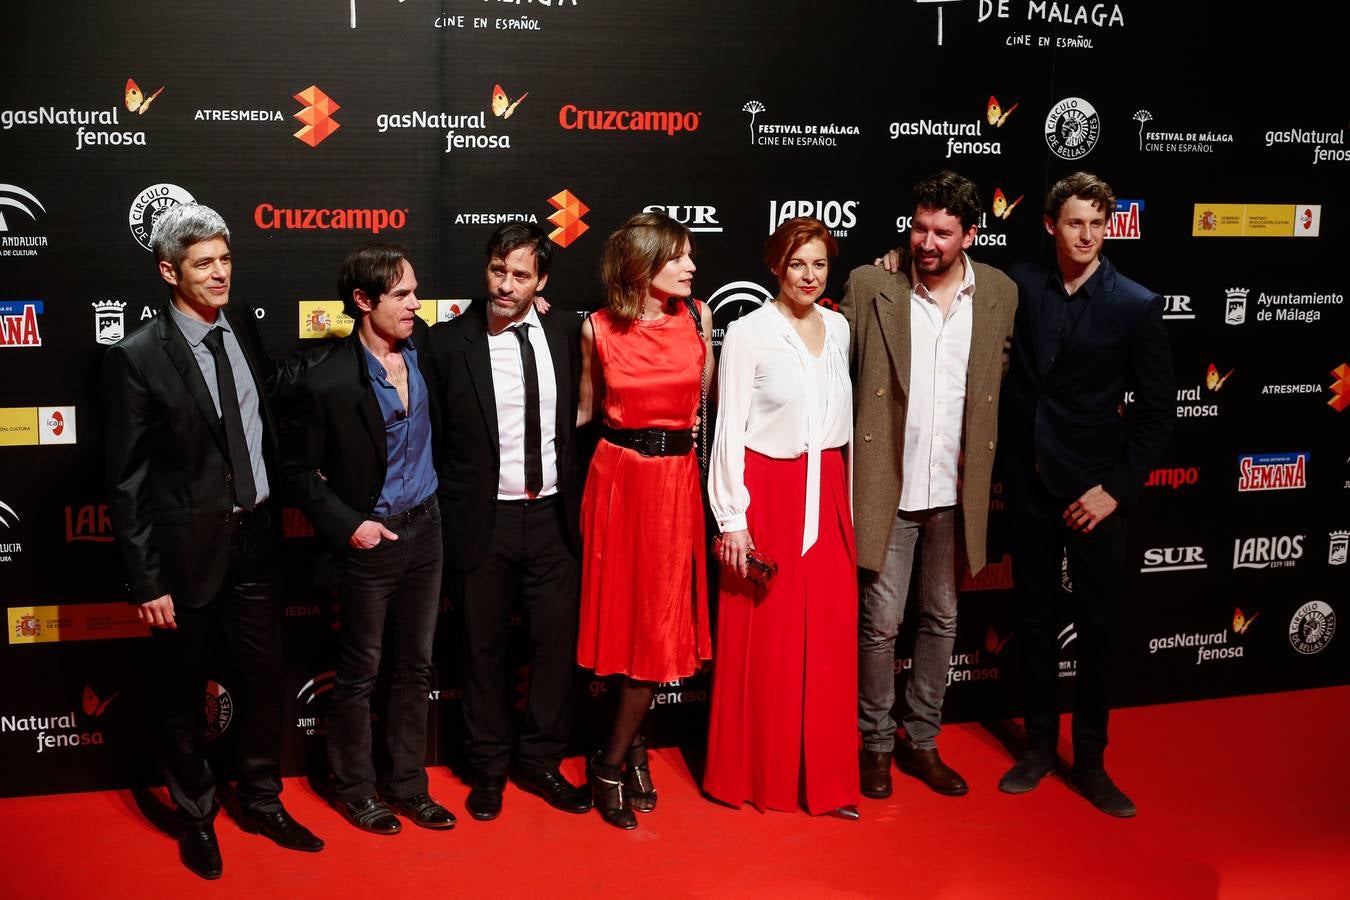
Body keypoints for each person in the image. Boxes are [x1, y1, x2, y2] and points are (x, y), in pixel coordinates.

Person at [104, 203, 323, 880]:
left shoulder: (243, 331)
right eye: (204, 263)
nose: (221, 273)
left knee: (264, 679)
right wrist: (146, 582)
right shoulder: (137, 356)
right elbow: (126, 481)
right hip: (184, 557)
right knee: (180, 697)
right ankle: (197, 816)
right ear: (169, 270)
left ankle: (260, 797)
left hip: (257, 540)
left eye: (226, 258)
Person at [997, 172, 1174, 817]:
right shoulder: (1019, 285)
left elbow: (1158, 413)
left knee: (1098, 628)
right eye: (1076, 223)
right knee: (1037, 622)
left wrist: (1114, 491)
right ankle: (1040, 746)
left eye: (1100, 224)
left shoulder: (1134, 303)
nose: (1089, 235)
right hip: (1029, 484)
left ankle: (1092, 761)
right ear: (1052, 225)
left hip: (1096, 491)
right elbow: (950, 278)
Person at [850, 172, 1019, 800]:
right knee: (880, 622)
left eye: (942, 232)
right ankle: (873, 743)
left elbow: (998, 375)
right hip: (887, 486)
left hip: (956, 490)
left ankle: (921, 740)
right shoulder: (872, 284)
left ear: (969, 234)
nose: (926, 241)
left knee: (943, 617)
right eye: (919, 228)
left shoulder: (999, 292)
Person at [281, 243, 455, 835]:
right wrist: (349, 524)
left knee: (416, 667)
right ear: (363, 300)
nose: (415, 305)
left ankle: (408, 785)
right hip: (370, 542)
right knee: (360, 673)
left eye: (415, 292)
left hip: (427, 530)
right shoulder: (328, 380)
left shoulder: (426, 347)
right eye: (402, 295)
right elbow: (296, 472)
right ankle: (355, 787)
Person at [426, 223, 590, 821]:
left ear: (541, 281)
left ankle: (542, 761)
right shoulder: (447, 344)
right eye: (499, 270)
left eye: (521, 275)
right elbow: (434, 436)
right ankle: (488, 768)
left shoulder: (570, 330)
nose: (506, 284)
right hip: (482, 519)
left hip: (553, 515)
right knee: (482, 648)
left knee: (555, 647)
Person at [704, 217, 860, 818]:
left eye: (819, 264)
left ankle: (826, 782)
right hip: (766, 493)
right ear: (776, 265)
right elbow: (729, 429)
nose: (809, 276)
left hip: (829, 495)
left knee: (827, 642)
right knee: (764, 644)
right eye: (798, 263)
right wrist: (733, 518)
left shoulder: (841, 328)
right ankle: (757, 776)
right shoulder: (747, 333)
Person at [576, 211, 713, 829]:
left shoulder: (698, 319)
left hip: (675, 483)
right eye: (678, 256)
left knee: (656, 629)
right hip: (617, 482)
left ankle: (610, 762)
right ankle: (631, 757)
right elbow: (582, 414)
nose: (691, 266)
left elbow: (703, 411)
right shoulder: (597, 329)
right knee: (624, 625)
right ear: (643, 266)